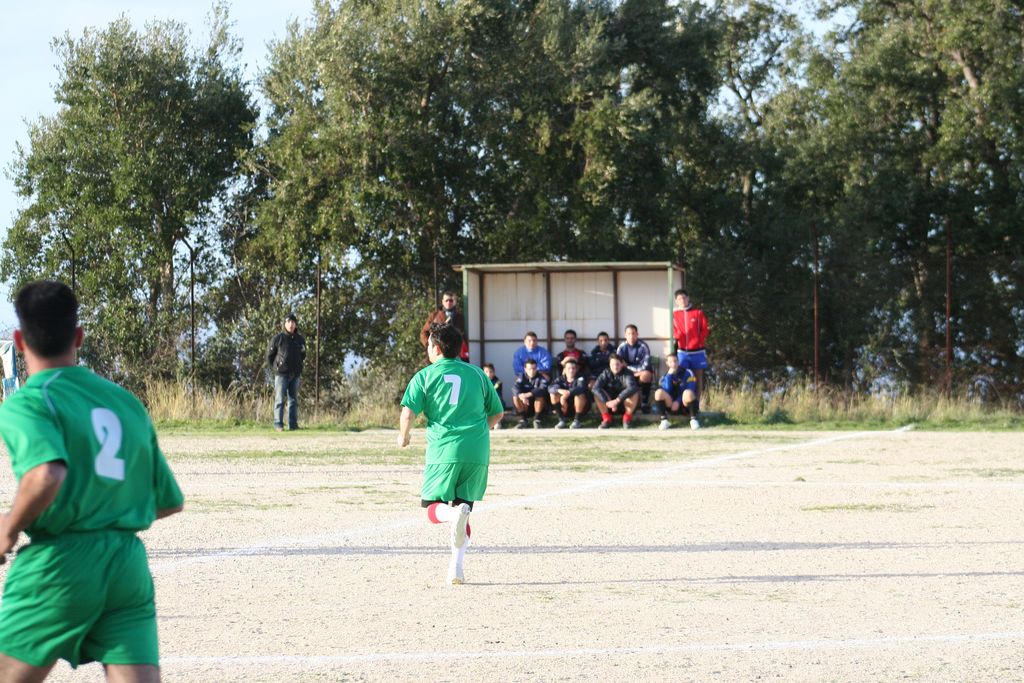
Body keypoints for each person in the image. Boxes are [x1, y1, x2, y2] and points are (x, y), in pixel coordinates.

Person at [0, 280, 184, 682]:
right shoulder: (125, 402)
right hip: (126, 568)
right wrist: (107, 511)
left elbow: (46, 473)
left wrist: (8, 529)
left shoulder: (29, 402)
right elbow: (169, 501)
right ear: (78, 337)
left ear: (19, 340)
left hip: (59, 567)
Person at [398, 322, 503, 585]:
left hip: (443, 451)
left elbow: (408, 413)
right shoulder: (478, 374)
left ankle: (452, 515)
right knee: (464, 507)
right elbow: (497, 413)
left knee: (432, 508)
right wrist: (479, 431)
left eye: (429, 345)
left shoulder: (425, 376)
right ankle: (456, 568)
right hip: (476, 452)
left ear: (436, 348)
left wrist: (404, 436)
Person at [266, 313, 306, 431]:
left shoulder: (300, 340)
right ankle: (278, 424)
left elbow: (303, 355)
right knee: (279, 400)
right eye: (288, 322)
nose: (291, 324)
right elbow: (269, 355)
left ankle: (293, 425)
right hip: (281, 374)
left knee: (293, 400)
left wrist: (298, 366)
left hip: (295, 374)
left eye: (293, 322)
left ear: (296, 324)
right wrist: (276, 368)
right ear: (285, 324)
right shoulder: (278, 338)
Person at [672, 289, 709, 399]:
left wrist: (698, 340)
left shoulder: (698, 313)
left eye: (684, 298)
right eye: (679, 299)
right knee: (682, 377)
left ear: (688, 298)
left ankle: (697, 403)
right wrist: (677, 336)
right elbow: (672, 331)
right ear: (676, 301)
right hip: (682, 352)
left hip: (698, 351)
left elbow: (705, 329)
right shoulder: (674, 315)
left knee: (698, 377)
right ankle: (683, 402)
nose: (682, 300)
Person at [653, 352, 701, 430]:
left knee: (688, 393)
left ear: (678, 362)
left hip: (684, 404)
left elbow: (691, 389)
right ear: (667, 363)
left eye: (675, 361)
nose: (673, 364)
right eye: (671, 362)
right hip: (671, 405)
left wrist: (678, 401)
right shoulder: (664, 377)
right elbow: (667, 390)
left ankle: (693, 420)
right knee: (658, 393)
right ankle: (664, 421)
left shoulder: (688, 373)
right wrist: (669, 376)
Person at [592, 353, 640, 429]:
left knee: (635, 393)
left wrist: (617, 400)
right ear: (609, 365)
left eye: (617, 364)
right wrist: (607, 401)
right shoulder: (606, 373)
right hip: (609, 405)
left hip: (624, 404)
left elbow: (632, 387)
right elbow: (595, 388)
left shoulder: (627, 373)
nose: (615, 367)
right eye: (612, 364)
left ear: (622, 364)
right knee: (597, 394)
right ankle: (606, 419)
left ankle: (627, 419)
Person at [420, 290, 469, 361]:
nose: (449, 302)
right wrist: (431, 345)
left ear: (455, 301)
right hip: (438, 353)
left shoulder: (460, 317)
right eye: (446, 300)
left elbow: (463, 335)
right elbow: (424, 332)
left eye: (451, 300)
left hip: (455, 354)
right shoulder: (434, 315)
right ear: (443, 301)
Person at [616, 324, 654, 411]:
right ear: (625, 335)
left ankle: (644, 403)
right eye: (629, 334)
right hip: (627, 374)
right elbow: (619, 365)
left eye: (633, 333)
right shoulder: (621, 348)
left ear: (637, 334)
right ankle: (622, 404)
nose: (631, 336)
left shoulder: (643, 346)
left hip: (640, 374)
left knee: (646, 375)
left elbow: (645, 365)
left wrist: (628, 367)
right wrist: (631, 371)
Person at [547, 357, 590, 429]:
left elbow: (581, 387)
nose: (571, 370)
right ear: (564, 369)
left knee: (579, 395)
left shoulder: (580, 377)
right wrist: (559, 390)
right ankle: (561, 420)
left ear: (576, 369)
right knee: (553, 394)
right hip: (564, 407)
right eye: (569, 368)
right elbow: (550, 388)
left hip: (580, 407)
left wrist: (568, 393)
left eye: (573, 368)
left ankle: (577, 421)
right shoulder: (560, 378)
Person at [511, 359, 549, 428]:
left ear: (536, 368)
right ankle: (523, 420)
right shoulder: (521, 377)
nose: (532, 371)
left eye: (534, 368)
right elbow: (515, 388)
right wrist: (521, 395)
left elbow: (543, 388)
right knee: (515, 397)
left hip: (538, 405)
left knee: (540, 395)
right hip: (524, 404)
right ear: (525, 369)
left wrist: (529, 394)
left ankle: (537, 420)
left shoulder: (541, 377)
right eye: (529, 369)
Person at [481, 362, 504, 429]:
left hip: (494, 402)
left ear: (494, 372)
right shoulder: (480, 381)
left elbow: (497, 396)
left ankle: (497, 422)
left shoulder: (498, 382)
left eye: (491, 372)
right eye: (486, 372)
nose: (489, 374)